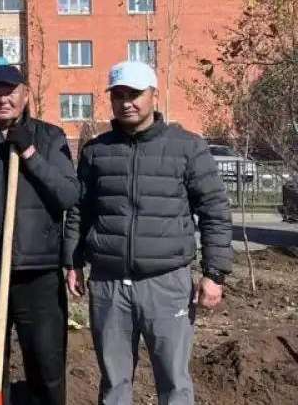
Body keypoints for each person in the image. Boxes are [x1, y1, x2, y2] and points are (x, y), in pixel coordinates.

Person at [65, 61, 232, 405]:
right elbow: (80, 210)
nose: (127, 102)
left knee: (174, 382)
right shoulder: (97, 151)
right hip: (109, 284)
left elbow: (214, 210)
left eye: (136, 94)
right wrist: (73, 261)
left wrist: (214, 273)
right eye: (119, 95)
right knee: (114, 383)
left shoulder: (188, 147)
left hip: (167, 283)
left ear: (153, 95)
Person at [0, 64, 80, 405]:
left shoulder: (49, 137)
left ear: (25, 94)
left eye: (10, 91)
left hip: (37, 274)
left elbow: (68, 194)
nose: (3, 99)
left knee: (45, 364)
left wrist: (29, 154)